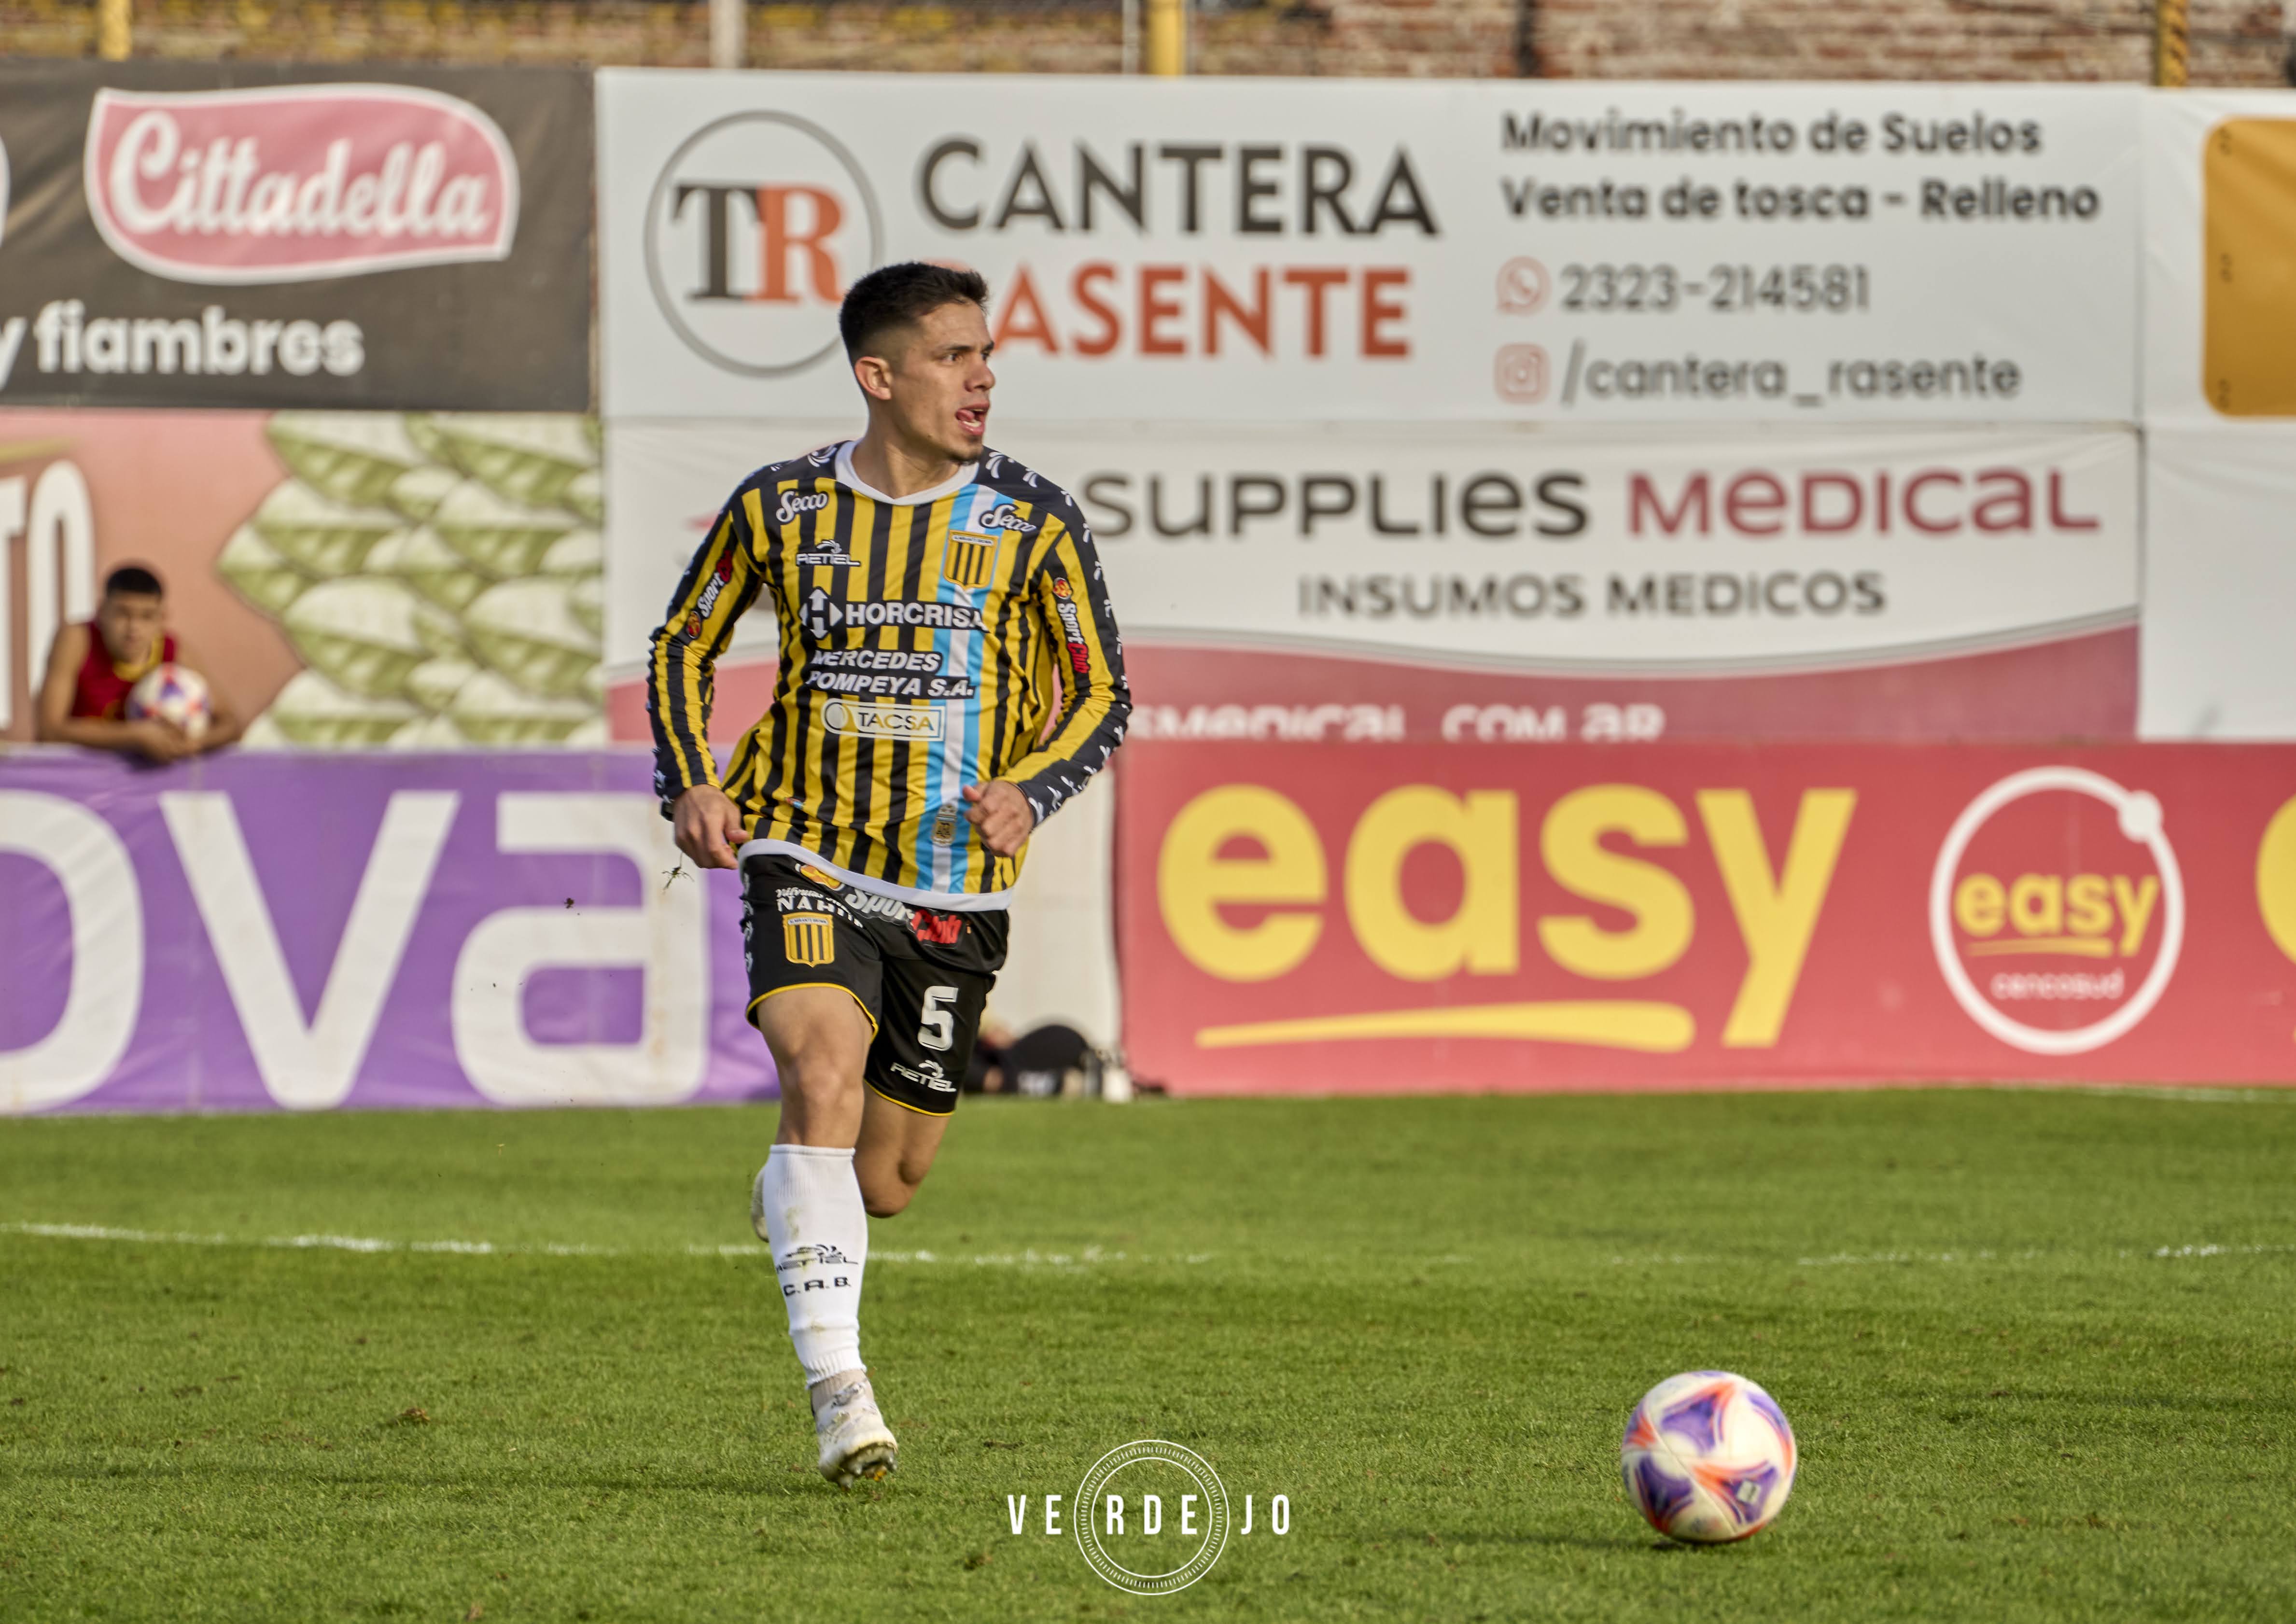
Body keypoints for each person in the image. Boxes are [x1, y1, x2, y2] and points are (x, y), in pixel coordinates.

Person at [646, 262, 1131, 1488]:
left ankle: (793, 1191)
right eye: (954, 355)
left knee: (888, 1179)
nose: (983, 377)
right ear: (878, 375)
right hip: (802, 845)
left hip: (950, 884)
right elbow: (684, 642)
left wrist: (1032, 788)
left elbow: (1102, 692)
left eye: (986, 355)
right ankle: (839, 1391)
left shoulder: (1030, 517)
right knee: (818, 1071)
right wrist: (693, 781)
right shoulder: (782, 506)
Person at [35, 563, 242, 760]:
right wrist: (133, 736)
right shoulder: (78, 640)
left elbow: (231, 725)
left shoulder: (174, 652)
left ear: (162, 619)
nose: (134, 627)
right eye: (122, 614)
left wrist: (191, 743)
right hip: (83, 777)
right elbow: (49, 730)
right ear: (101, 612)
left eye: (147, 616)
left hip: (149, 780)